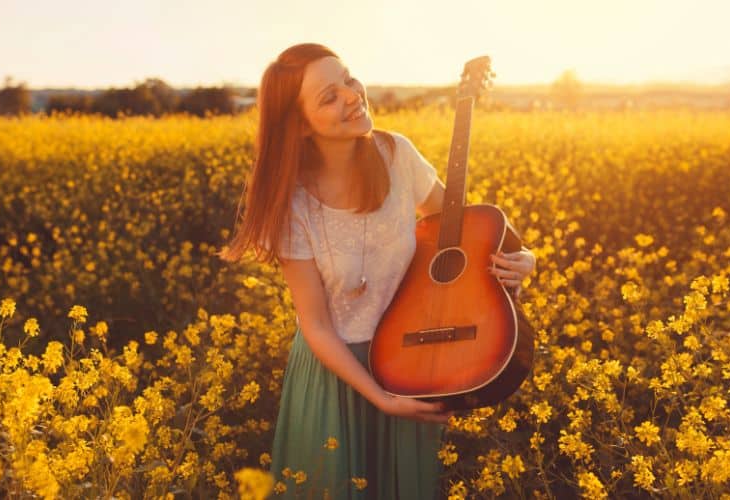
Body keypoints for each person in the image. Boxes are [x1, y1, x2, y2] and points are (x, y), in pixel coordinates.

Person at [218, 43, 537, 499]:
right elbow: (317, 325)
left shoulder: (396, 155)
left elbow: (468, 229)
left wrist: (528, 259)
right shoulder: (291, 202)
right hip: (337, 378)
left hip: (410, 362)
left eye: (348, 79)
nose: (351, 95)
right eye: (329, 97)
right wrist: (378, 396)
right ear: (300, 125)